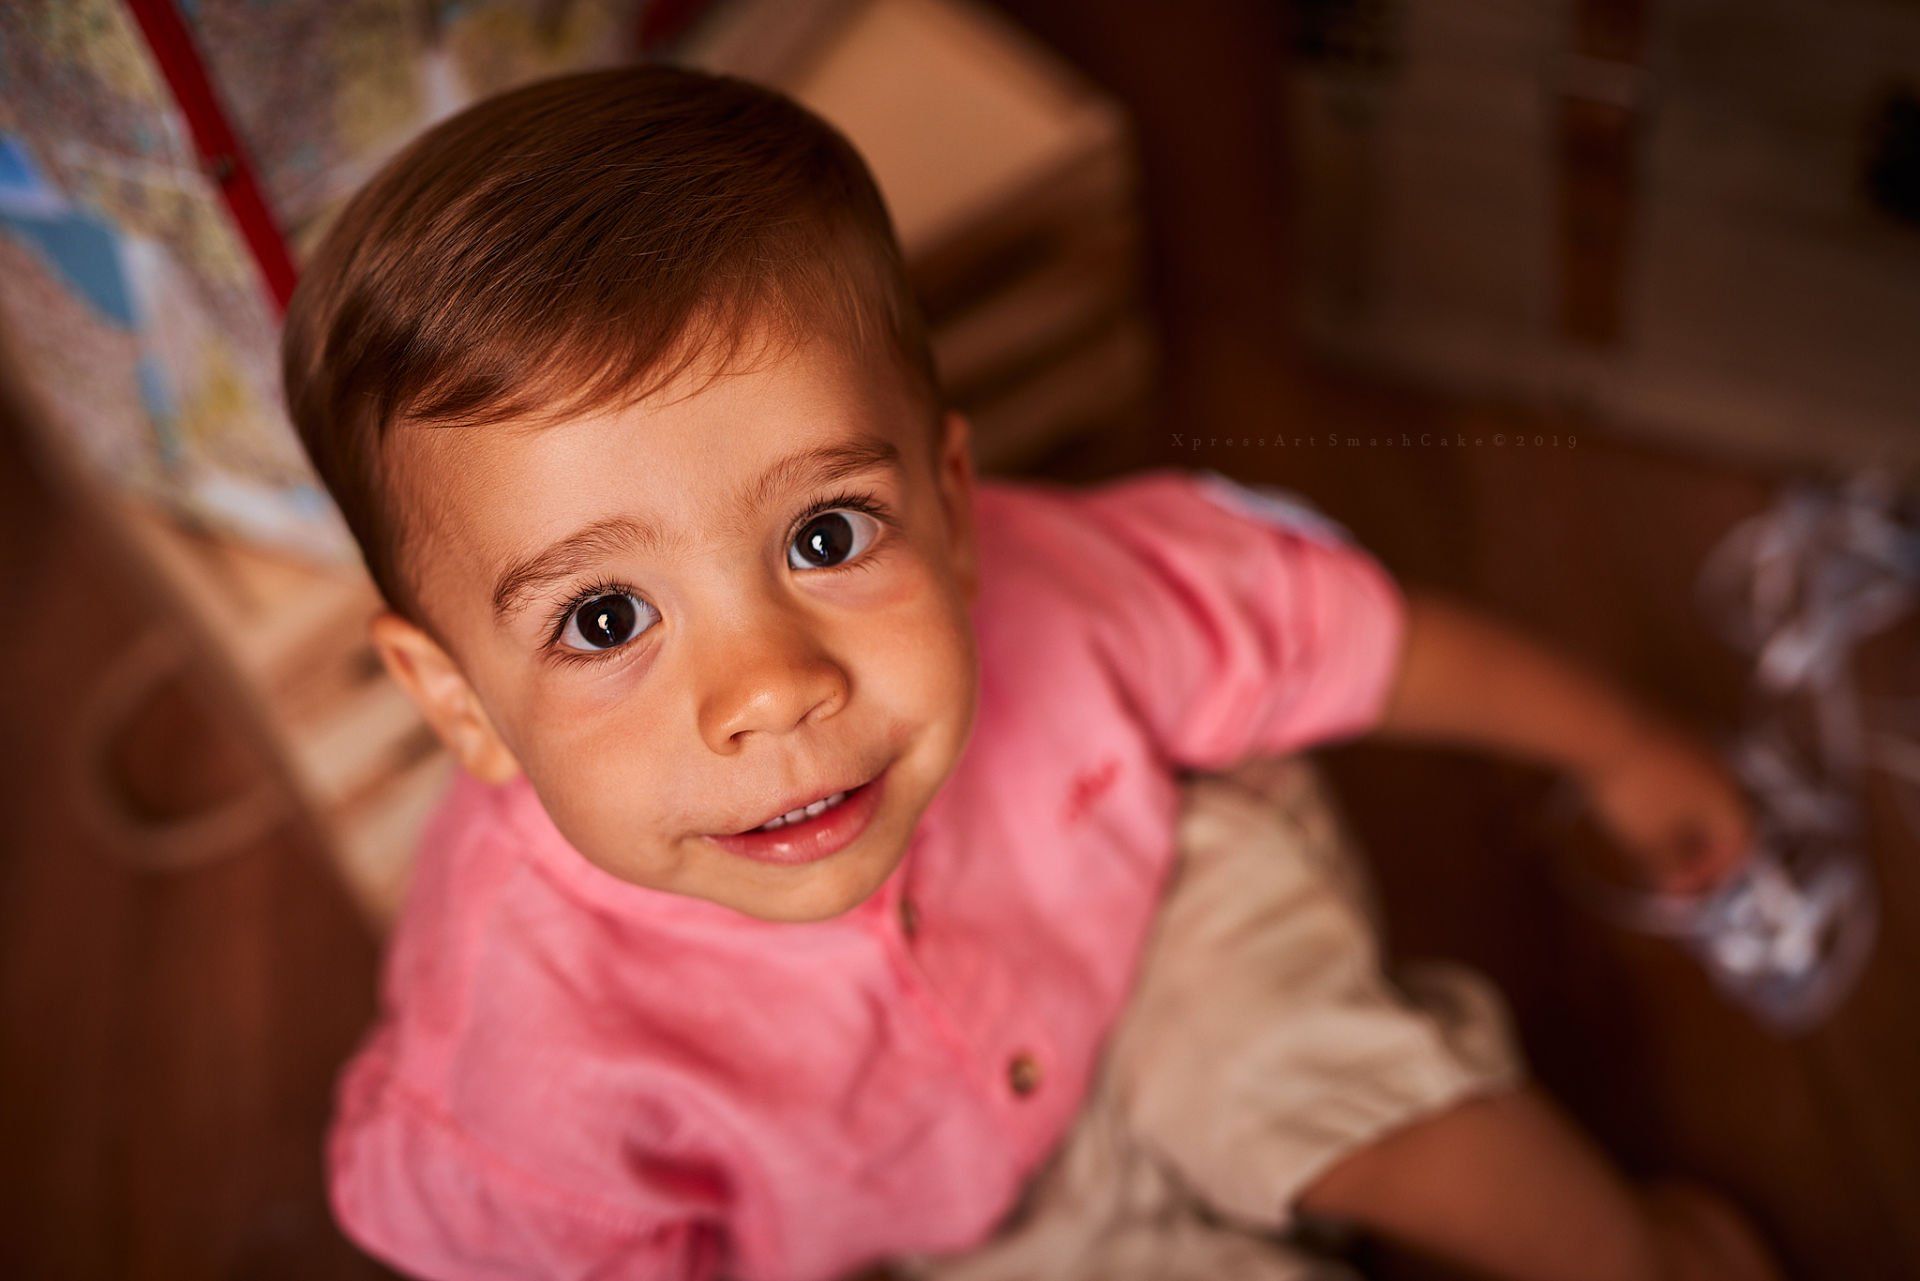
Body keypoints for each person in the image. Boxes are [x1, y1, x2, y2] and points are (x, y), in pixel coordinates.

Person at [281, 64, 1782, 1281]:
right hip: (969, 1218)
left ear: (949, 505)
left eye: (824, 534)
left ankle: (1647, 1256)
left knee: (1380, 1117)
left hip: (1147, 914)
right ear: (457, 701)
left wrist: (1623, 745)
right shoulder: (522, 1061)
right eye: (607, 620)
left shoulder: (1068, 592)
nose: (770, 688)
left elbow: (1347, 635)